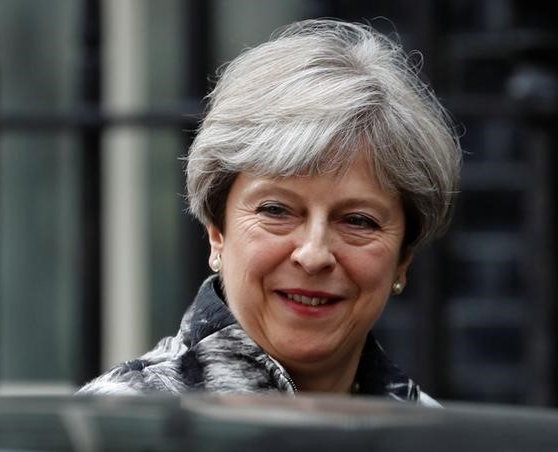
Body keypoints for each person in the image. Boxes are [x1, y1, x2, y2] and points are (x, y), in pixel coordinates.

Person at [77, 19, 461, 406]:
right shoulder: (120, 422)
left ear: (403, 260)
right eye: (276, 210)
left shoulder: (435, 432)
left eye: (358, 221)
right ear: (217, 232)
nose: (313, 255)